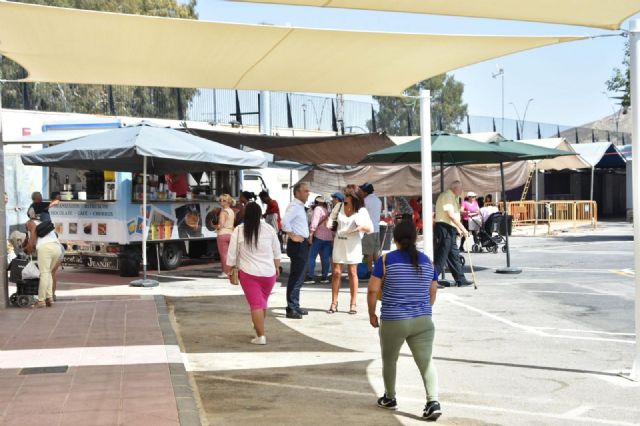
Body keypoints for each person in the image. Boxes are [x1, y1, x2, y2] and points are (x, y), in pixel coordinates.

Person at [367, 221, 442, 421]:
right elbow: (432, 294)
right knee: (426, 362)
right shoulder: (427, 262)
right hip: (423, 320)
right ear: (416, 238)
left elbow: (373, 290)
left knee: (390, 360)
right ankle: (433, 401)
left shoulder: (385, 260)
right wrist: (422, 307)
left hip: (394, 320)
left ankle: (390, 397)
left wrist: (372, 313)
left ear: (395, 239)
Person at [226, 202, 281, 345]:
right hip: (269, 274)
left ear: (246, 214)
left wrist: (229, 269)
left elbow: (232, 253)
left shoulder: (239, 230)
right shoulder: (269, 229)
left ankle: (261, 336)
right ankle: (258, 326)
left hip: (249, 274)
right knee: (262, 303)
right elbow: (277, 252)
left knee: (256, 304)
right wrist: (277, 268)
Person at [327, 192, 372, 315]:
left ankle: (353, 303)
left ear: (354, 198)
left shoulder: (361, 210)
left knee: (353, 272)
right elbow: (331, 219)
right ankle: (334, 302)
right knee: (336, 272)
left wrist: (361, 228)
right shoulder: (339, 206)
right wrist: (329, 224)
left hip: (353, 244)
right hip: (339, 242)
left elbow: (370, 228)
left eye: (348, 195)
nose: (345, 198)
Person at [434, 181, 473, 287]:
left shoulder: (454, 197)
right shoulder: (447, 196)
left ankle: (460, 279)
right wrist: (463, 228)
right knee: (442, 255)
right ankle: (432, 281)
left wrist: (457, 229)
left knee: (454, 255)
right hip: (444, 228)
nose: (461, 191)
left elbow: (454, 216)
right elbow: (450, 215)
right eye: (460, 189)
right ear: (455, 188)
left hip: (450, 228)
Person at [282, 182, 311, 319]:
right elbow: (284, 223)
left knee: (300, 276)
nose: (308, 193)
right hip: (297, 245)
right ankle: (291, 308)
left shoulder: (299, 207)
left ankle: (295, 305)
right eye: (305, 191)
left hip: (302, 243)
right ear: (298, 192)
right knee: (296, 276)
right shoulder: (294, 206)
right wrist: (293, 236)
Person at [23, 217, 64, 308]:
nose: (27, 229)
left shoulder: (30, 223)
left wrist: (29, 248)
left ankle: (41, 300)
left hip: (45, 248)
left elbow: (33, 237)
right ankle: (49, 298)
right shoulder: (42, 223)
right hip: (57, 247)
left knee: (44, 273)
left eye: (26, 228)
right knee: (48, 272)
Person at [306, 196, 334, 283]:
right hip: (328, 237)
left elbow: (314, 223)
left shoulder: (318, 209)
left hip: (318, 236)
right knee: (325, 258)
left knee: (311, 257)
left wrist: (311, 235)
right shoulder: (328, 211)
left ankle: (310, 277)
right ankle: (324, 277)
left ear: (316, 202)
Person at [358, 183, 382, 274]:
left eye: (362, 191)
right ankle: (378, 271)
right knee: (376, 252)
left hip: (368, 229)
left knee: (368, 252)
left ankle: (369, 271)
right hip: (377, 229)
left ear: (365, 192)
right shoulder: (378, 200)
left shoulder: (365, 201)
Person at [216, 194, 236, 279]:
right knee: (230, 254)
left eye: (223, 200)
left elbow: (221, 225)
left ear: (228, 202)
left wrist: (214, 226)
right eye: (220, 200)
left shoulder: (223, 212)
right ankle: (231, 271)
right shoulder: (231, 211)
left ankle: (225, 272)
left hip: (222, 234)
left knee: (224, 254)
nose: (221, 202)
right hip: (231, 234)